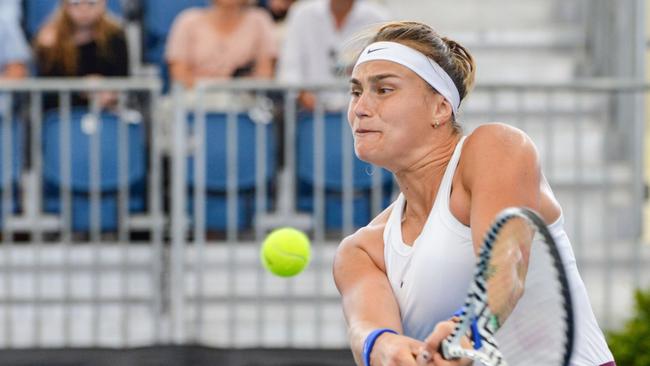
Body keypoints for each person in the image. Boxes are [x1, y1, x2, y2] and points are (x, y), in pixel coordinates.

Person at [332, 21, 616, 366]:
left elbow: (506, 269)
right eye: (356, 91)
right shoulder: (361, 251)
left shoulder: (496, 148)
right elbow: (368, 332)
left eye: (384, 89)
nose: (360, 107)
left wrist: (468, 333)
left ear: (440, 108)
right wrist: (388, 349)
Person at [276, 0, 388, 110]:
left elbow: (384, 69)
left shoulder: (378, 16)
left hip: (361, 112)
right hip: (308, 114)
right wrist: (301, 94)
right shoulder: (302, 12)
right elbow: (289, 69)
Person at [33, 0, 129, 110]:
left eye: (91, 3)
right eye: (76, 3)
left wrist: (109, 92)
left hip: (107, 111)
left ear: (103, 3)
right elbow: (47, 91)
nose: (84, 10)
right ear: (64, 5)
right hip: (62, 112)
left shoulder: (116, 36)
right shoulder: (50, 41)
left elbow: (123, 81)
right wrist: (83, 89)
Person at [165, 0, 277, 88]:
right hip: (194, 102)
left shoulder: (260, 21)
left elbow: (265, 76)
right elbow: (179, 76)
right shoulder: (188, 21)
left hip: (245, 103)